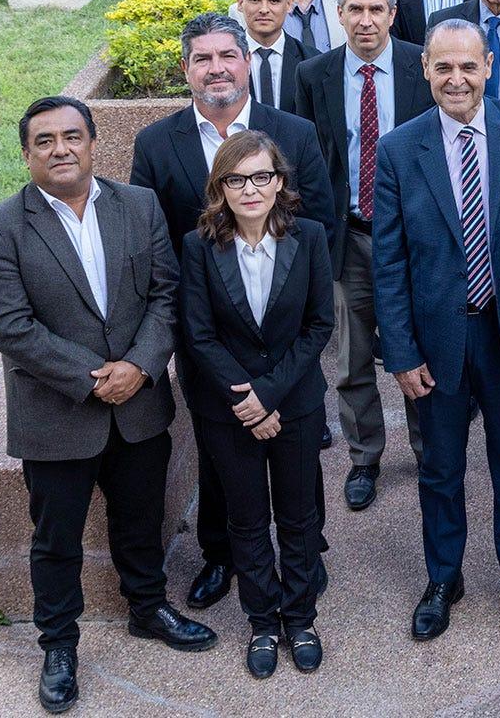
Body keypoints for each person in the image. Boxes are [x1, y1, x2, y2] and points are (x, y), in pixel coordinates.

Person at [0, 96, 216, 714]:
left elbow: (166, 294)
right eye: (46, 141)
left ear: (93, 142)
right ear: (27, 153)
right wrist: (92, 378)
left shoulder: (139, 205)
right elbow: (9, 327)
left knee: (140, 516)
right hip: (57, 415)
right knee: (55, 539)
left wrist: (139, 366)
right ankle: (58, 644)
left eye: (72, 136)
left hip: (139, 405)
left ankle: (148, 607)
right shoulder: (0, 227)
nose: (61, 150)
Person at [128, 12, 335, 611]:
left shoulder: (291, 132)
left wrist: (305, 313)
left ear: (247, 61)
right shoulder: (156, 143)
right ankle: (223, 557)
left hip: (286, 336)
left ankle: (306, 552)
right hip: (210, 342)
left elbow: (317, 222)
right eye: (202, 58)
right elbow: (153, 241)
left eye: (227, 55)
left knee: (299, 464)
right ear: (186, 69)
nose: (216, 68)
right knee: (223, 459)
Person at [372, 19, 500, 643]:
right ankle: (443, 577)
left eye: (468, 67)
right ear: (425, 70)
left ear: (488, 65)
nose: (456, 79)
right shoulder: (402, 148)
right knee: (440, 470)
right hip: (437, 344)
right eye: (442, 68)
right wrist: (400, 351)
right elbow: (390, 260)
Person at [178, 131, 334, 679]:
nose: (251, 189)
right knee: (246, 521)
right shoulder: (198, 245)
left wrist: (269, 395)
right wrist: (247, 399)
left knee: (297, 516)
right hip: (229, 410)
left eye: (262, 176)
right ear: (220, 187)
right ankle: (262, 622)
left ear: (279, 181)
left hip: (293, 404)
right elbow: (198, 336)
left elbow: (320, 326)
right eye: (237, 179)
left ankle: (301, 619)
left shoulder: (309, 237)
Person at [295, 0, 434, 512]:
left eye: (377, 9)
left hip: (412, 239)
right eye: (355, 9)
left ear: (393, 14)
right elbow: (307, 161)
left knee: (418, 350)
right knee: (351, 358)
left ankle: (429, 450)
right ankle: (365, 456)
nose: (366, 20)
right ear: (340, 12)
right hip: (347, 236)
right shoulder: (314, 75)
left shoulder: (422, 65)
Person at [230, 0, 314, 112]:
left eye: (273, 0)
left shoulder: (312, 62)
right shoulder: (222, 61)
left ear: (289, 4)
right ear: (240, 3)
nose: (264, 9)